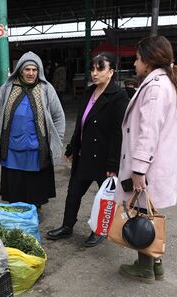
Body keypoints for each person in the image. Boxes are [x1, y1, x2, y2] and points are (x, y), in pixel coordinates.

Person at [115, 35, 177, 283]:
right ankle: (156, 264)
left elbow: (148, 132)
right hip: (156, 163)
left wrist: (138, 169)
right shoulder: (167, 83)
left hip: (150, 165)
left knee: (142, 214)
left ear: (148, 60)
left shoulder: (156, 87)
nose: (134, 64)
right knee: (147, 212)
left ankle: (144, 267)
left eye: (136, 59)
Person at [47, 53, 128, 246]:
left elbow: (119, 133)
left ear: (111, 72)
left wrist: (113, 163)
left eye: (100, 69)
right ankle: (67, 226)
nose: (94, 73)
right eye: (92, 69)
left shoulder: (118, 96)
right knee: (73, 192)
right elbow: (81, 125)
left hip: (103, 158)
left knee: (105, 198)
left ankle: (99, 230)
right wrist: (72, 148)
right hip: (84, 156)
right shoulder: (88, 92)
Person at [0, 51, 65, 208]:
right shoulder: (8, 88)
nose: (31, 73)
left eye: (34, 70)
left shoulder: (46, 88)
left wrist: (57, 140)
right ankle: (16, 210)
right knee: (15, 183)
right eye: (27, 69)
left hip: (36, 148)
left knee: (34, 185)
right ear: (20, 70)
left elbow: (59, 116)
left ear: (39, 71)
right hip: (12, 148)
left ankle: (33, 210)